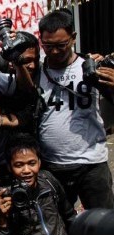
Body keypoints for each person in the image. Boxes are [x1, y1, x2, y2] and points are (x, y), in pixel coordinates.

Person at [37, 9, 114, 209]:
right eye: (48, 46)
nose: (54, 51)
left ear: (73, 38)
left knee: (102, 223)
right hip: (53, 165)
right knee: (61, 226)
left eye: (61, 45)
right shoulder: (35, 73)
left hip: (92, 163)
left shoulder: (93, 67)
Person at [0, 133, 77, 235]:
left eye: (32, 163)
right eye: (19, 165)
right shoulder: (5, 198)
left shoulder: (49, 181)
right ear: (9, 167)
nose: (26, 171)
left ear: (39, 162)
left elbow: (69, 215)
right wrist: (1, 221)